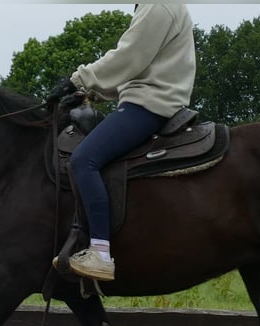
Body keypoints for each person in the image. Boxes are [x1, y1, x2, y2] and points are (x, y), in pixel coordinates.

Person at [46, 4, 196, 281]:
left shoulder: (158, 5)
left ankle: (100, 253)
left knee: (84, 160)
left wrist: (77, 79)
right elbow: (135, 69)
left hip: (149, 106)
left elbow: (128, 57)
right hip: (147, 100)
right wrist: (84, 90)